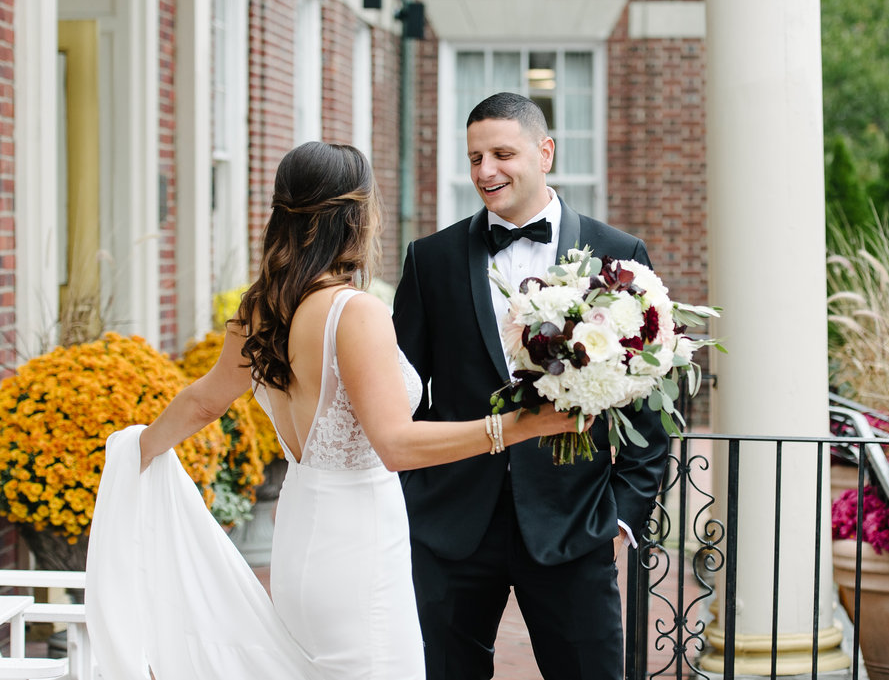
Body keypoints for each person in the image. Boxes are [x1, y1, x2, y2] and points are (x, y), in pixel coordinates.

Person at [85, 141, 587, 680]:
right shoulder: (355, 312)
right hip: (358, 549)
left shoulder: (261, 309)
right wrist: (517, 427)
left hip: (301, 543)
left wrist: (133, 451)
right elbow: (395, 445)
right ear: (357, 216)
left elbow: (204, 401)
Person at [392, 93, 670, 680]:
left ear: (545, 152)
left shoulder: (619, 257)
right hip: (452, 527)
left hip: (574, 526)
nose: (485, 171)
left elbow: (648, 409)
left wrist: (620, 519)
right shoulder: (430, 260)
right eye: (474, 158)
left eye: (501, 154)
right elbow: (402, 397)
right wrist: (417, 498)